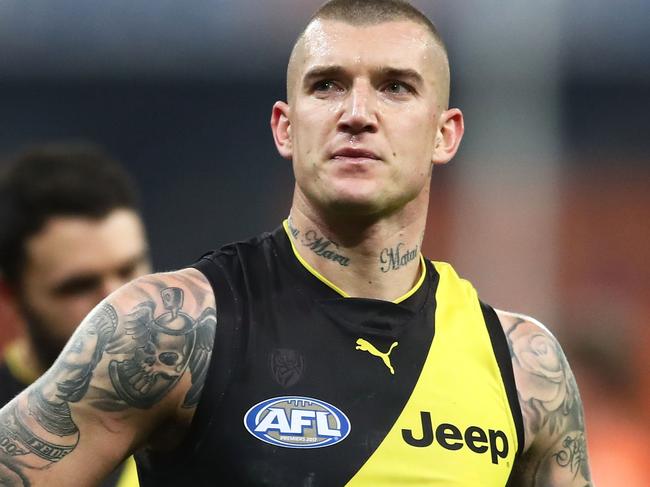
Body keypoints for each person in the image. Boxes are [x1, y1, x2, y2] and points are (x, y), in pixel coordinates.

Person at [0, 1, 593, 485]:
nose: (358, 114)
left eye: (395, 88)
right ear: (286, 125)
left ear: (445, 133)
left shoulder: (523, 369)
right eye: (328, 85)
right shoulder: (170, 330)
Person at [0, 143, 150, 487]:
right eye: (78, 286)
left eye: (129, 269)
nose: (116, 302)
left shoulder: (218, 404)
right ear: (13, 295)